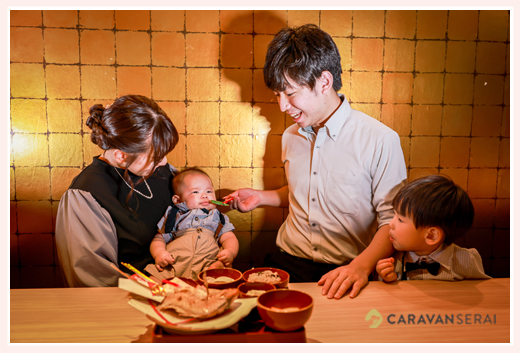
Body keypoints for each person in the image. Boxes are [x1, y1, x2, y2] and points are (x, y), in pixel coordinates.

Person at [224, 24, 407, 299]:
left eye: (290, 93)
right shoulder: (290, 136)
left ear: (324, 81)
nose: (282, 106)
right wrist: (262, 197)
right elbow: (309, 193)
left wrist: (360, 267)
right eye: (277, 95)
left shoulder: (380, 139)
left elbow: (392, 220)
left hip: (349, 269)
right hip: (287, 261)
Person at [55, 95, 179, 287]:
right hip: (140, 299)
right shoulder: (86, 195)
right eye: (156, 156)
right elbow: (95, 277)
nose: (163, 163)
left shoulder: (164, 172)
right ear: (121, 156)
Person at [376, 174, 491, 282]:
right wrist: (388, 278)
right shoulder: (391, 259)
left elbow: (486, 292)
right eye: (394, 215)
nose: (391, 224)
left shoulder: (467, 260)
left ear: (431, 235)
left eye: (400, 219)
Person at [144, 168, 239, 281]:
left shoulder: (219, 217)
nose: (204, 195)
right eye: (196, 192)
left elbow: (229, 237)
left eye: (209, 191)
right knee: (156, 277)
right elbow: (159, 238)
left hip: (207, 261)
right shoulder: (174, 214)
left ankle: (217, 269)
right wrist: (159, 253)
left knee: (220, 275)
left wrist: (230, 252)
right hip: (176, 261)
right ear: (177, 200)